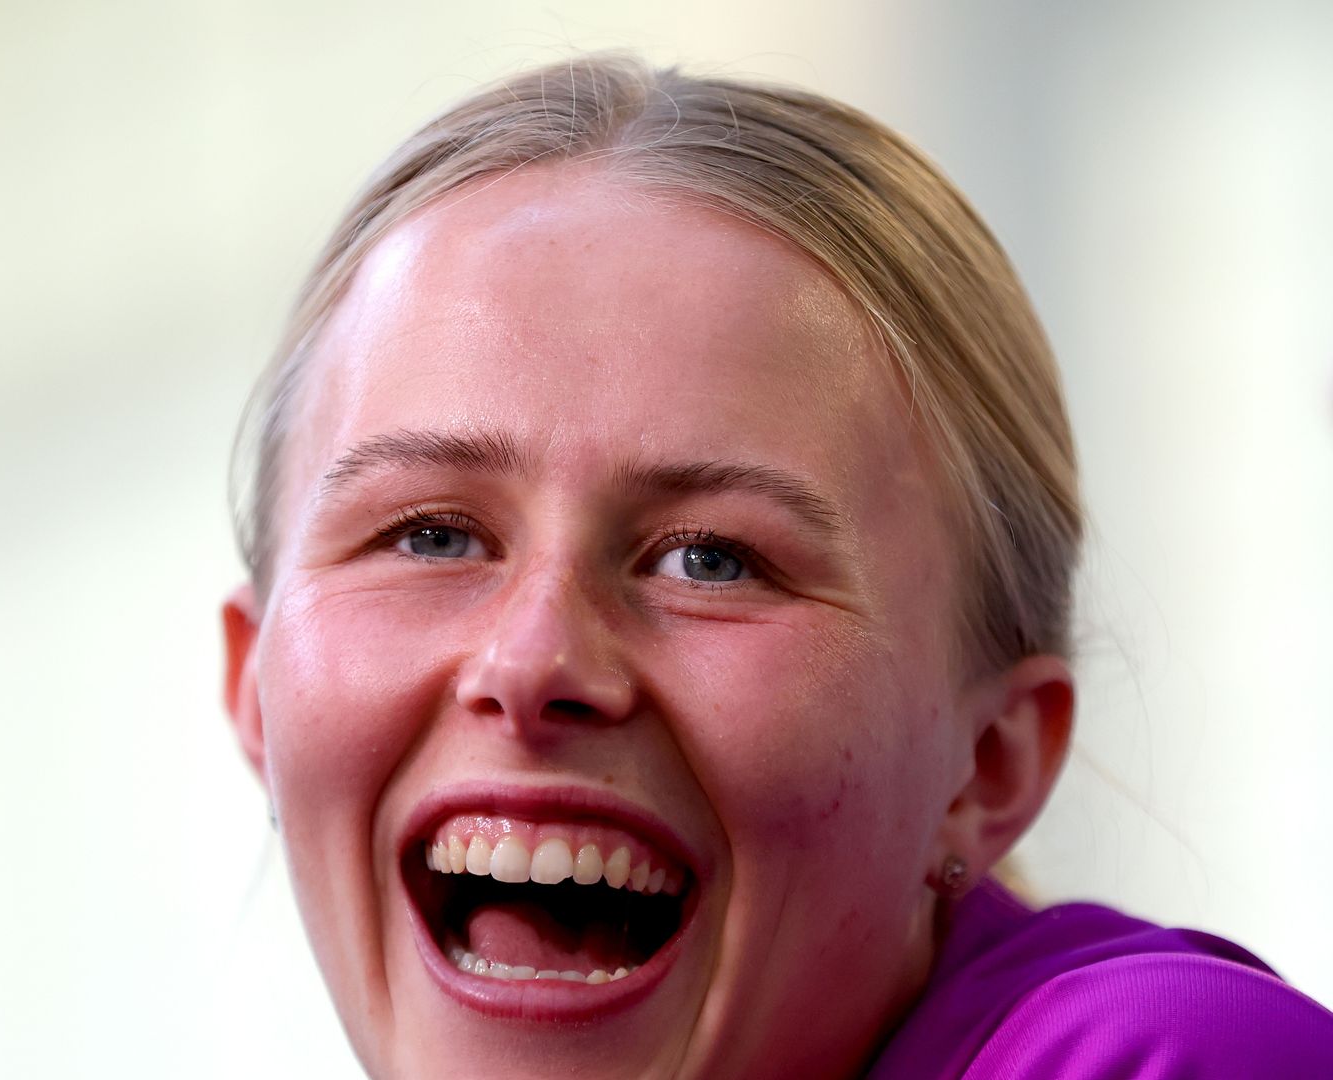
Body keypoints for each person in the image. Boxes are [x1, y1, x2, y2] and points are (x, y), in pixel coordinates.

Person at [216, 53, 1333, 1077]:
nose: (532, 658)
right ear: (254, 691)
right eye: (431, 536)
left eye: (711, 560)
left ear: (987, 763)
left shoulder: (1164, 1058)